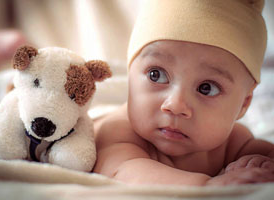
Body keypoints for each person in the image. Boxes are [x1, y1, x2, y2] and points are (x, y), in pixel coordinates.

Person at [93, 0, 274, 186]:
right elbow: (122, 170)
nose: (176, 105)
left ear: (244, 104)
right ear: (130, 75)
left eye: (207, 88)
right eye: (156, 75)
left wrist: (263, 164)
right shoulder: (118, 130)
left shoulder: (233, 142)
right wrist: (207, 186)